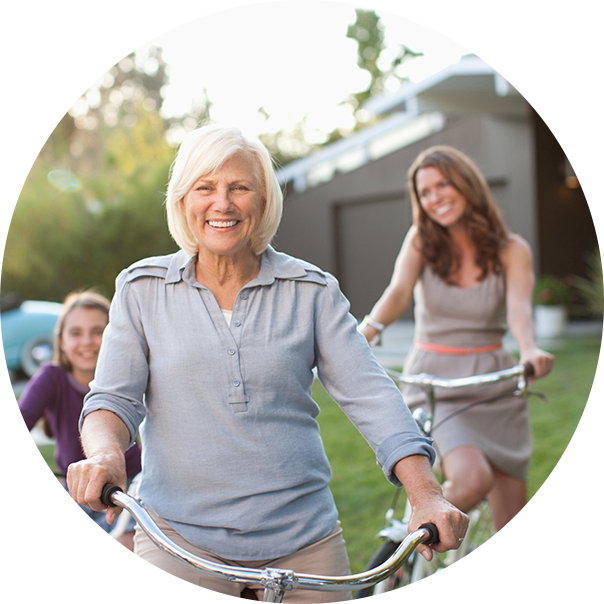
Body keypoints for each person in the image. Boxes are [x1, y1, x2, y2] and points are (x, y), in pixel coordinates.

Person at [66, 124, 468, 604]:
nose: (223, 203)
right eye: (205, 187)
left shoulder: (311, 291)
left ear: (263, 201)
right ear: (182, 200)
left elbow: (370, 395)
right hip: (179, 538)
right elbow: (112, 399)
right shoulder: (141, 289)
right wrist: (107, 456)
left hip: (303, 541)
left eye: (239, 187)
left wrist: (425, 491)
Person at [358, 145, 554, 604]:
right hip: (436, 383)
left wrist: (530, 350)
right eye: (424, 192)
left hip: (494, 385)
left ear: (465, 183)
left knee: (516, 532)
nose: (435, 198)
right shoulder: (421, 241)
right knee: (468, 478)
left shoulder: (511, 249)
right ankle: (408, 550)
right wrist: (363, 332)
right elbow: (398, 291)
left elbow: (520, 311)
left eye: (442, 184)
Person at [0, 290, 141, 604]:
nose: (87, 342)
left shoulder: (126, 378)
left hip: (127, 492)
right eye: (75, 333)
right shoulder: (51, 378)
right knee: (68, 595)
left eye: (98, 332)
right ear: (61, 341)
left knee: (125, 556)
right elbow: (20, 419)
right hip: (71, 498)